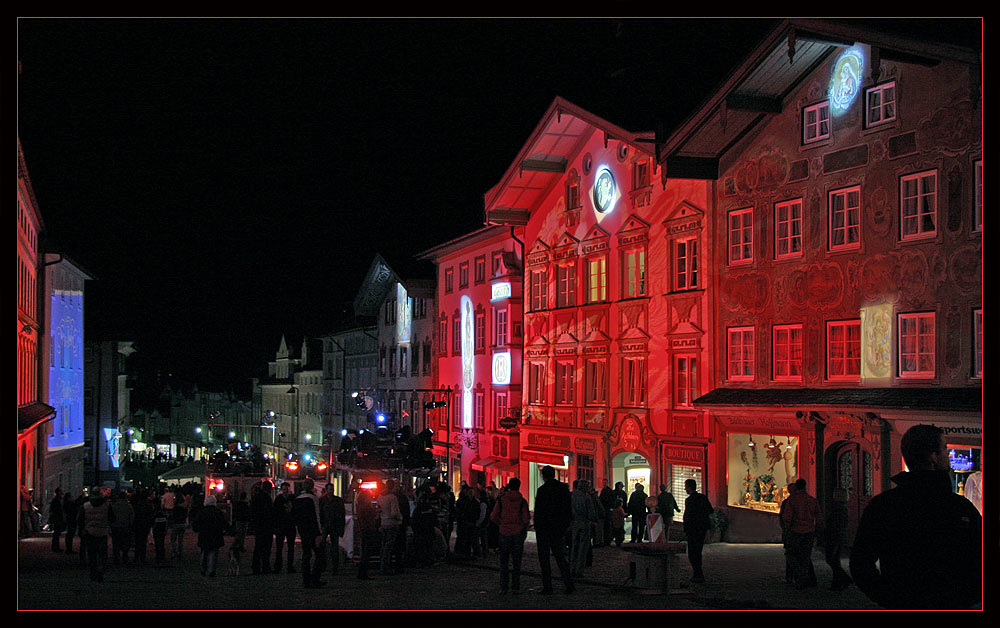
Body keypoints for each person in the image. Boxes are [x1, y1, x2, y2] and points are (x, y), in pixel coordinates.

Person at [850, 424, 982, 609]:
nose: (948, 453)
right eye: (944, 447)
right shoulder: (958, 508)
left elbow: (860, 562)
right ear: (933, 457)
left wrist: (886, 596)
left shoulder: (883, 505)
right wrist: (966, 596)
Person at [533, 465, 574, 594]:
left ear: (543, 476)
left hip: (544, 529)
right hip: (558, 528)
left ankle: (548, 586)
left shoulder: (542, 490)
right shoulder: (563, 489)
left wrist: (537, 527)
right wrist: (565, 526)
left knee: (544, 560)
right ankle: (568, 584)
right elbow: (568, 509)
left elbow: (538, 512)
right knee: (560, 558)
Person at [491, 477, 530, 594]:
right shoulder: (522, 501)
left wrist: (501, 524)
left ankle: (504, 587)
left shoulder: (502, 500)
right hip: (517, 533)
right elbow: (526, 519)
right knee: (516, 562)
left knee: (504, 562)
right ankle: (515, 587)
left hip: (504, 532)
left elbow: (493, 516)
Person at [781, 478, 822, 589]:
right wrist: (817, 531)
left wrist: (787, 530)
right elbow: (818, 517)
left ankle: (801, 576)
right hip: (809, 531)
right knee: (805, 556)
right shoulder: (812, 500)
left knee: (791, 555)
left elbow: (787, 517)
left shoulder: (792, 501)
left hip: (795, 531)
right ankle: (806, 578)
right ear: (805, 486)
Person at [293, 478, 325, 588]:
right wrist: (319, 533)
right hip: (313, 531)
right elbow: (316, 517)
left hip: (303, 531)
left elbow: (295, 517)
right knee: (319, 555)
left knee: (306, 554)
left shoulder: (297, 499)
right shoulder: (312, 499)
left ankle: (306, 579)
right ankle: (315, 578)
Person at [683, 478, 713, 583]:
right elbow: (710, 510)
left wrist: (685, 528)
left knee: (692, 552)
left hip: (693, 529)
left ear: (689, 487)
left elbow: (687, 516)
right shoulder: (703, 498)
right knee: (698, 550)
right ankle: (698, 573)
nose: (684, 488)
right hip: (702, 528)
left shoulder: (689, 500)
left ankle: (697, 573)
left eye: (686, 486)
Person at [81, 487, 113, 582]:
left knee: (92, 554)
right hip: (102, 531)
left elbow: (80, 519)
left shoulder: (86, 505)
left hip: (90, 531)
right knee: (102, 554)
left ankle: (93, 572)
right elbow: (112, 518)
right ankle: (100, 571)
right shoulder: (106, 506)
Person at [192, 495, 228, 577]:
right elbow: (224, 523)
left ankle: (203, 569)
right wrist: (231, 531)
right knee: (213, 553)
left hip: (204, 535)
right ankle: (211, 570)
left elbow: (196, 523)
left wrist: (197, 529)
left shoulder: (202, 512)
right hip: (215, 535)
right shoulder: (218, 512)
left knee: (204, 552)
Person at [824, 487, 852, 591]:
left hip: (834, 536)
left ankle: (843, 579)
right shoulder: (843, 508)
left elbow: (834, 524)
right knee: (835, 560)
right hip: (839, 536)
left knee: (831, 559)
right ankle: (839, 582)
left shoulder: (837, 509)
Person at [569, 479, 597, 577]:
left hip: (575, 523)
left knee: (574, 546)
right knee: (582, 547)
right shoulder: (586, 497)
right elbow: (591, 512)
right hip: (584, 522)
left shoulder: (573, 495)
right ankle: (579, 570)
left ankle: (572, 567)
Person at [377, 479, 404, 575]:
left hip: (383, 522)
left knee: (384, 546)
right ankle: (385, 568)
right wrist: (400, 518)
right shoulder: (392, 497)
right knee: (389, 547)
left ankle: (382, 566)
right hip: (392, 523)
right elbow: (394, 512)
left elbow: (379, 509)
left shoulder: (380, 496)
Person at [318, 483, 346, 576]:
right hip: (326, 525)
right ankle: (323, 565)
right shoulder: (322, 500)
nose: (331, 491)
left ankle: (334, 567)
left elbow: (342, 514)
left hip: (334, 526)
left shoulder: (338, 501)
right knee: (323, 547)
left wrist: (341, 527)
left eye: (332, 489)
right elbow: (320, 514)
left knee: (334, 548)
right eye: (330, 489)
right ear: (326, 490)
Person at [250, 480, 275, 574]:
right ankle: (265, 566)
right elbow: (269, 513)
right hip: (266, 526)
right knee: (266, 548)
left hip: (259, 526)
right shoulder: (266, 499)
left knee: (258, 547)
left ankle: (256, 567)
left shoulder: (256, 497)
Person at [354, 486, 379, 580]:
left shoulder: (360, 507)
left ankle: (362, 572)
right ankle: (363, 572)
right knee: (366, 552)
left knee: (365, 551)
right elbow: (371, 516)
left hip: (363, 529)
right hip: (367, 529)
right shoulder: (366, 507)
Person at [272, 482, 297, 573]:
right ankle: (281, 566)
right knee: (281, 547)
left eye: (286, 489)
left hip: (287, 526)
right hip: (282, 526)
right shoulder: (283, 499)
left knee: (288, 547)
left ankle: (284, 566)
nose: (285, 491)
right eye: (284, 489)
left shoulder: (280, 499)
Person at [110, 489, 135, 565]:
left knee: (116, 543)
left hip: (115, 526)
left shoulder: (114, 506)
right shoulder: (129, 506)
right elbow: (132, 517)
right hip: (125, 526)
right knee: (125, 543)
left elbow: (111, 516)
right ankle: (125, 557)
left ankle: (116, 558)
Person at [48, 488, 66, 552]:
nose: (63, 492)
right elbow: (56, 510)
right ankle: (55, 547)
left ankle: (55, 547)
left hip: (57, 518)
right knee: (57, 533)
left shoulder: (57, 499)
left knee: (57, 533)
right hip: (57, 518)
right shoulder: (57, 500)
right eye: (62, 491)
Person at [599, 480, 615, 546]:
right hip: (606, 509)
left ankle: (607, 539)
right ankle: (607, 539)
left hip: (606, 509)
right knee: (607, 525)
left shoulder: (607, 490)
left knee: (607, 525)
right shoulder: (606, 490)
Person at [63, 490, 80, 554]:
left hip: (70, 519)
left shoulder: (66, 503)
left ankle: (69, 548)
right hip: (71, 519)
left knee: (69, 534)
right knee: (70, 534)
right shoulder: (70, 504)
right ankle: (69, 549)